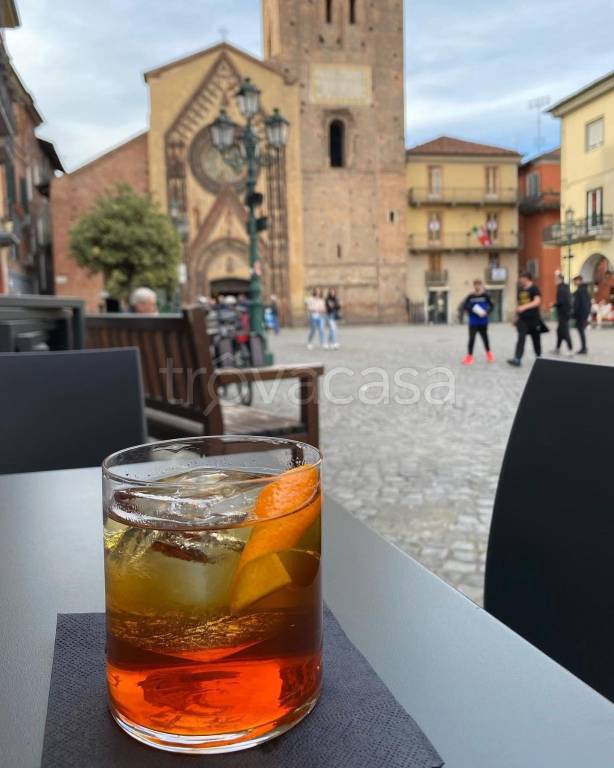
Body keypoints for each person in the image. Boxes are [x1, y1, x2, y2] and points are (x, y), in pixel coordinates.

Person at [507, 272, 543, 367]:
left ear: (526, 278)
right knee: (521, 338)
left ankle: (539, 357)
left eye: (521, 278)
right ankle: (517, 359)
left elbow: (537, 301)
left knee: (535, 339)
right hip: (522, 319)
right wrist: (515, 317)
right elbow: (519, 304)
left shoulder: (534, 288)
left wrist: (524, 307)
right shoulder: (520, 289)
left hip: (533, 318)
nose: (520, 280)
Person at [460, 279, 495, 365]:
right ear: (474, 286)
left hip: (483, 321)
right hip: (473, 321)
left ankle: (489, 354)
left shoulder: (486, 296)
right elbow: (464, 306)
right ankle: (469, 357)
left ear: (481, 286)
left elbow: (492, 305)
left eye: (479, 285)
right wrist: (471, 310)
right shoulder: (470, 296)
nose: (477, 286)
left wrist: (486, 312)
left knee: (485, 338)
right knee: (471, 339)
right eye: (476, 285)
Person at [551, 272, 572, 354]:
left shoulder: (561, 289)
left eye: (556, 279)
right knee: (559, 331)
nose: (554, 280)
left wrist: (553, 304)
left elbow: (561, 302)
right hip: (565, 313)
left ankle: (570, 349)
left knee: (565, 332)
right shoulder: (564, 287)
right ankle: (558, 348)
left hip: (563, 314)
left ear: (560, 279)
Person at [572, 275, 591, 354]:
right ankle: (584, 347)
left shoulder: (580, 291)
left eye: (575, 281)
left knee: (581, 331)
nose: (574, 283)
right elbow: (588, 304)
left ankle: (584, 348)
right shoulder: (584, 290)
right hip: (583, 314)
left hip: (581, 315)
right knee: (581, 331)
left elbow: (579, 304)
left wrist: (575, 314)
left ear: (579, 281)